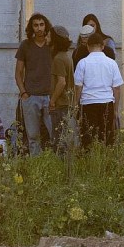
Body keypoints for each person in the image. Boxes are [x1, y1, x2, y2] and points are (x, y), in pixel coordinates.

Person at [74, 32, 124, 149]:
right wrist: (115, 109)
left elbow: (78, 87)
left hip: (88, 104)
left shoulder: (82, 63)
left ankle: (89, 163)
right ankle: (106, 163)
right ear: (102, 46)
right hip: (107, 103)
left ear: (88, 47)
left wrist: (76, 105)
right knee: (106, 138)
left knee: (88, 139)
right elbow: (116, 88)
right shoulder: (111, 63)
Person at [14, 12, 54, 156]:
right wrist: (24, 93)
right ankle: (35, 165)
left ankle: (55, 164)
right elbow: (18, 72)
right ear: (31, 27)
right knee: (32, 136)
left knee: (54, 133)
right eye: (35, 25)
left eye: (41, 24)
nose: (39, 28)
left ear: (46, 26)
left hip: (50, 97)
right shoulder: (26, 45)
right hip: (31, 97)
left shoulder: (52, 46)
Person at [49, 25, 75, 152]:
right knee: (63, 136)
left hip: (60, 104)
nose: (47, 38)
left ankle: (61, 165)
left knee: (59, 139)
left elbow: (61, 82)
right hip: (66, 103)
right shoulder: (66, 56)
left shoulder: (58, 59)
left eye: (50, 36)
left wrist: (52, 100)